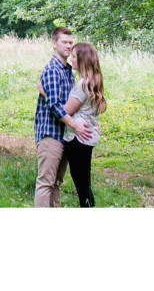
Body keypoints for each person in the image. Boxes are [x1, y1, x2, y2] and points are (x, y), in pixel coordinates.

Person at [33, 26, 92, 207]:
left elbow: (70, 102)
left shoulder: (67, 70)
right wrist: (74, 125)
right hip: (51, 133)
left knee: (56, 183)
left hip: (64, 134)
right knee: (45, 182)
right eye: (64, 42)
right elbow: (54, 106)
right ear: (54, 43)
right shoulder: (52, 69)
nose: (68, 46)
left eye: (70, 43)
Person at [60, 42, 106, 207]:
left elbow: (65, 111)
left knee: (81, 184)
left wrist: (47, 95)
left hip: (78, 138)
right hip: (88, 137)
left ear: (82, 60)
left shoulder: (82, 85)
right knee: (85, 182)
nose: (70, 59)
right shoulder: (94, 80)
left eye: (73, 56)